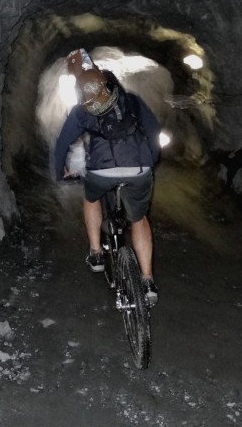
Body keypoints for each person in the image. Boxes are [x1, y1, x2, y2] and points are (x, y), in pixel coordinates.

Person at [53, 49, 162, 306]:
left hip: (101, 170)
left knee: (91, 197)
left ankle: (96, 254)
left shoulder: (82, 111)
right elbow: (154, 131)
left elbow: (62, 144)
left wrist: (60, 172)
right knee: (139, 219)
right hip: (139, 168)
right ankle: (147, 281)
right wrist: (151, 159)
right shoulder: (133, 100)